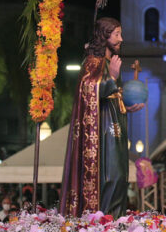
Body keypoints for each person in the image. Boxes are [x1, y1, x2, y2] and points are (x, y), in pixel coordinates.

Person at [59, 17, 144, 218]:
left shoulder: (109, 62)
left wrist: (127, 105)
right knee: (110, 176)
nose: (121, 39)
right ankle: (103, 220)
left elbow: (115, 94)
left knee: (121, 175)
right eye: (116, 34)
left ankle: (115, 220)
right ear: (104, 36)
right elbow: (88, 88)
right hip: (102, 129)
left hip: (116, 124)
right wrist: (112, 77)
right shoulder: (92, 62)